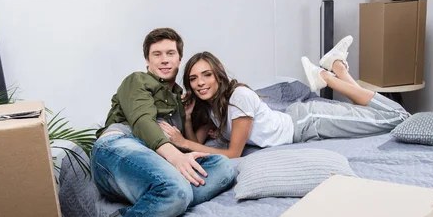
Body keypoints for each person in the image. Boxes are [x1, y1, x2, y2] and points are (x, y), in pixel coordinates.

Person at [82, 28, 236, 217]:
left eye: (170, 53)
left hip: (153, 161)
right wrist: (175, 158)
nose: (164, 59)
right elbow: (142, 121)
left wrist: (185, 117)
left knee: (224, 167)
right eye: (157, 54)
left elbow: (185, 144)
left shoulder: (179, 98)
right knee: (176, 190)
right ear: (147, 60)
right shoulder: (137, 80)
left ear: (179, 59)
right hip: (118, 147)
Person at [159, 36, 410, 159]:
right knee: (371, 116)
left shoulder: (239, 98)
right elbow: (195, 142)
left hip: (308, 121)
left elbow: (233, 153)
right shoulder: (211, 107)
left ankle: (327, 76)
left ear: (218, 75)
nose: (200, 83)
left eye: (206, 75)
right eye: (193, 79)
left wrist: (186, 143)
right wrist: (189, 120)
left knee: (397, 116)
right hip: (300, 122)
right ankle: (338, 66)